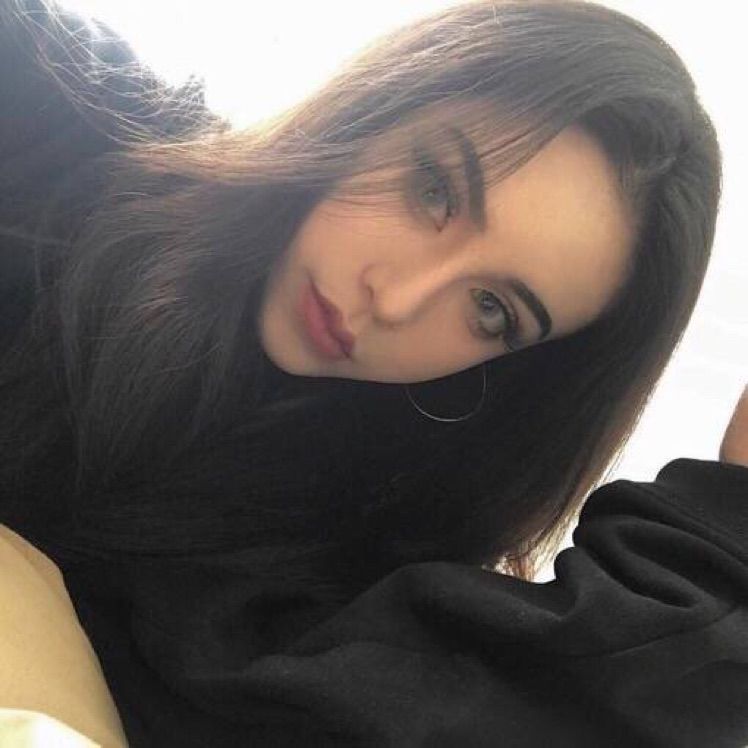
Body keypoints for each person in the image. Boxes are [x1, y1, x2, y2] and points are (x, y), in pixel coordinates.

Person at [0, 0, 746, 745]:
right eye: (433, 188)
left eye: (491, 309)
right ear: (388, 101)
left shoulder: (353, 540)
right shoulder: (63, 111)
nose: (394, 299)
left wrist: (723, 529)